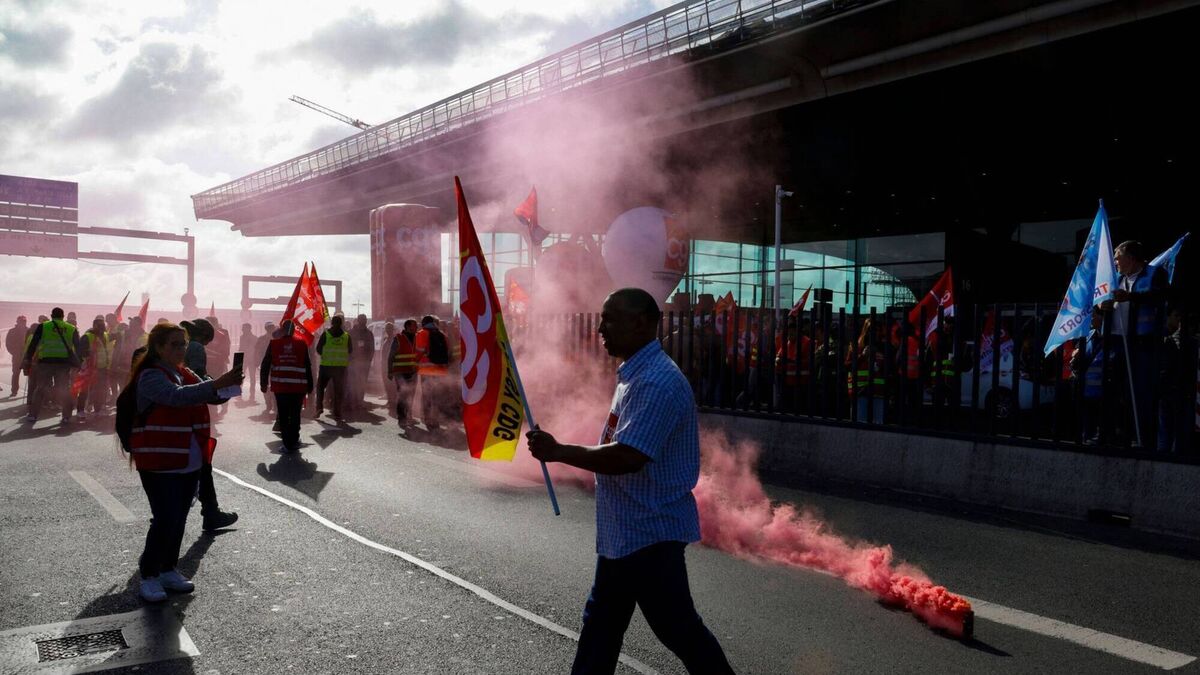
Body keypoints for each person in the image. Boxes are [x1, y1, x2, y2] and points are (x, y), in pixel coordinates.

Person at [527, 288, 735, 675]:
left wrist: (559, 451)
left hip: (648, 534)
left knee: (677, 630)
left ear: (640, 323)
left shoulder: (655, 383)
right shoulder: (635, 375)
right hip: (627, 533)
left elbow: (628, 456)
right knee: (603, 628)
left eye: (610, 319)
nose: (601, 328)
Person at [116, 322, 244, 602]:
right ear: (158, 347)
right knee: (165, 517)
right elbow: (176, 397)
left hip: (187, 457)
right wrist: (217, 384)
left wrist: (229, 385)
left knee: (180, 517)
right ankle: (149, 574)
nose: (180, 349)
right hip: (158, 458)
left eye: (183, 344)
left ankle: (167, 569)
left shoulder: (183, 371)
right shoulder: (151, 375)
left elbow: (208, 393)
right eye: (174, 344)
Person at [179, 318, 239, 531]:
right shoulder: (196, 347)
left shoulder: (186, 345)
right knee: (201, 466)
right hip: (191, 415)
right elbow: (196, 380)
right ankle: (209, 512)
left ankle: (209, 511)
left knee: (199, 467)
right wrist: (221, 387)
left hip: (185, 413)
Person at [1109, 240, 1169, 447]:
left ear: (1131, 258)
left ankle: (1144, 438)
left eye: (1118, 258)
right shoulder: (1116, 278)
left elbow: (1160, 296)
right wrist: (1101, 307)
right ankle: (1122, 435)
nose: (1115, 262)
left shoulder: (1154, 274)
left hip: (1144, 342)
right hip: (1118, 341)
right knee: (1119, 390)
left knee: (1142, 390)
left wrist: (1131, 297)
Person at [22, 307, 82, 423]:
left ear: (51, 315)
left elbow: (33, 344)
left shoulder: (43, 326)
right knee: (64, 389)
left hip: (46, 362)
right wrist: (78, 363)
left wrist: (28, 358)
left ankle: (33, 415)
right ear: (63, 316)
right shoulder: (71, 328)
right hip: (63, 363)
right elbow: (78, 347)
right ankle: (66, 416)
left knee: (40, 388)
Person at [261, 320, 313, 452]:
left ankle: (287, 443)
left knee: (283, 414)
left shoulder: (274, 344)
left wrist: (263, 383)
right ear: (294, 330)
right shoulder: (302, 343)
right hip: (298, 387)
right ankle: (294, 440)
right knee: (295, 414)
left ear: (282, 330)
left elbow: (265, 364)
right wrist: (310, 384)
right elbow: (307, 365)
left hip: (280, 386)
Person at [415, 315, 450, 429]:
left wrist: (414, 363)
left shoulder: (421, 334)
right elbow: (447, 353)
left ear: (423, 323)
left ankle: (428, 419)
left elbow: (419, 352)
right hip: (440, 370)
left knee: (427, 395)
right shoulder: (442, 335)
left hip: (426, 370)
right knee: (437, 395)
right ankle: (436, 419)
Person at [77, 316, 115, 421]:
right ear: (94, 326)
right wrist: (87, 359)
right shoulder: (87, 337)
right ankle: (80, 410)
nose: (102, 328)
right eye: (100, 326)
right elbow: (80, 351)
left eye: (103, 326)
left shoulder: (105, 335)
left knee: (100, 390)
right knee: (84, 390)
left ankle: (98, 410)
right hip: (89, 368)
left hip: (102, 368)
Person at [315, 314, 352, 420]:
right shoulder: (346, 336)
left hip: (326, 366)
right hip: (340, 368)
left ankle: (319, 407)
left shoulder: (325, 334)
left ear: (331, 323)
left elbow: (318, 349)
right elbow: (350, 350)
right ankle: (337, 412)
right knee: (338, 390)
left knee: (320, 388)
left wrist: (325, 355)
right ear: (341, 324)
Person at [386, 319, 419, 427]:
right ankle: (402, 418)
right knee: (403, 394)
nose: (417, 327)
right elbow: (391, 356)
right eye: (414, 326)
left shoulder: (417, 337)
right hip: (400, 372)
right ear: (408, 327)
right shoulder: (398, 338)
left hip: (413, 371)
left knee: (411, 395)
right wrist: (390, 371)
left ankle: (409, 416)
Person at [348, 314, 375, 413]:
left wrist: (369, 360)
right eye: (362, 319)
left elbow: (372, 348)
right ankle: (352, 403)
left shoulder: (369, 334)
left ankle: (360, 402)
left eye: (365, 320)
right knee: (353, 383)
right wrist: (350, 359)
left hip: (364, 363)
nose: (364, 321)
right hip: (353, 363)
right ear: (358, 320)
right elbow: (347, 347)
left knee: (362, 383)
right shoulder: (351, 333)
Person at [256, 322, 277, 413]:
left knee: (272, 385)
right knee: (266, 385)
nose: (271, 329)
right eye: (269, 327)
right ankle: (269, 404)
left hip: (274, 365)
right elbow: (257, 351)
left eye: (271, 327)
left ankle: (273, 404)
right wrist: (257, 362)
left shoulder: (277, 339)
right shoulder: (261, 339)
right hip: (265, 365)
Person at [5, 315, 27, 398]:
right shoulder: (12, 331)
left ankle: (31, 392)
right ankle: (14, 390)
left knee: (31, 375)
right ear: (17, 322)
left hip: (27, 356)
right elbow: (8, 344)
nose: (23, 323)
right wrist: (14, 352)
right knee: (16, 374)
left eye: (24, 321)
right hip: (17, 357)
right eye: (21, 321)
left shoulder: (28, 330)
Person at [381, 320, 397, 414]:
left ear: (392, 329)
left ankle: (393, 402)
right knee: (387, 384)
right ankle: (390, 400)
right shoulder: (385, 340)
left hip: (392, 366)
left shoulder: (395, 340)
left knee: (392, 385)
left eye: (390, 329)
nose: (388, 330)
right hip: (385, 366)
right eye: (387, 329)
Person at [239, 323, 258, 402]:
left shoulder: (254, 338)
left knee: (252, 378)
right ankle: (239, 393)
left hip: (251, 359)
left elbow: (256, 349)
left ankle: (252, 394)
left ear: (249, 329)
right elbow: (240, 348)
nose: (242, 330)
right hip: (244, 359)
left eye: (244, 328)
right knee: (241, 377)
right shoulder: (242, 337)